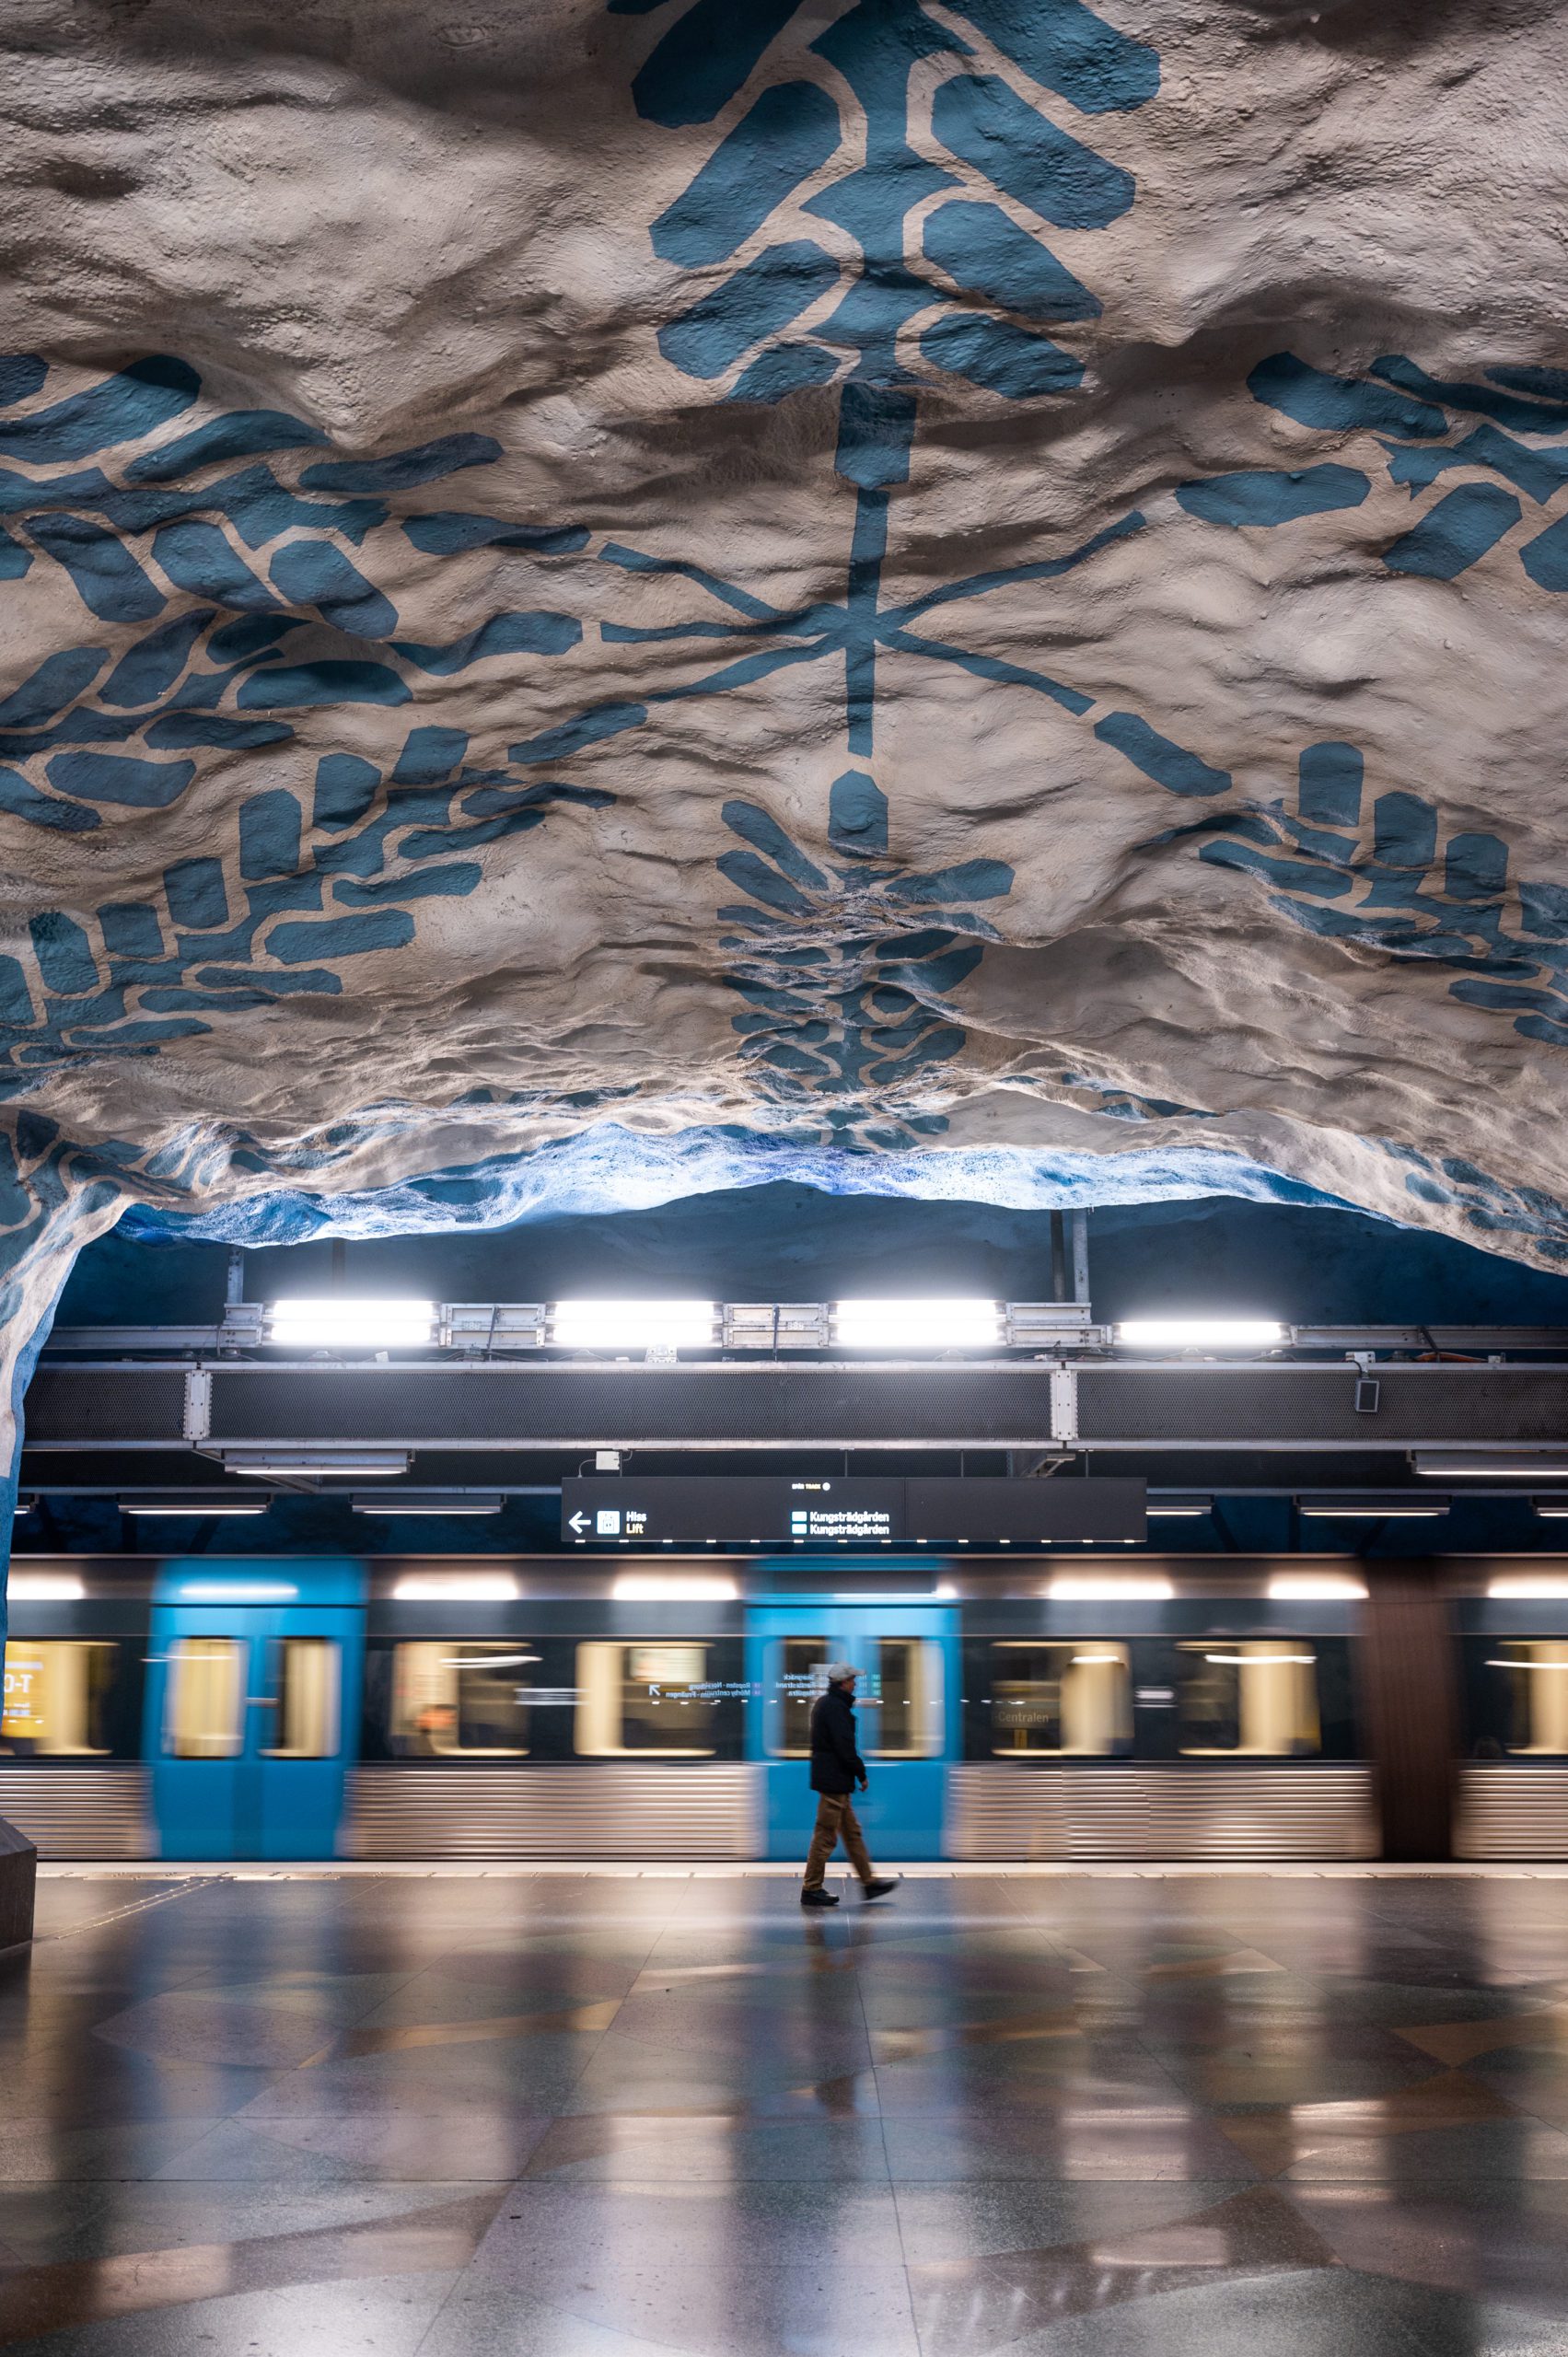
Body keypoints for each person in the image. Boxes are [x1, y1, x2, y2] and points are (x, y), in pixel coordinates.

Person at [801, 1663, 897, 1907]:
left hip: (835, 1780)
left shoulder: (828, 1704)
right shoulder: (835, 1708)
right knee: (825, 1836)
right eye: (853, 1680)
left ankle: (869, 1883)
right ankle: (811, 1888)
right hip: (834, 1781)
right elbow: (845, 1747)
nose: (855, 1683)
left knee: (852, 1834)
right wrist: (861, 1773)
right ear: (843, 1682)